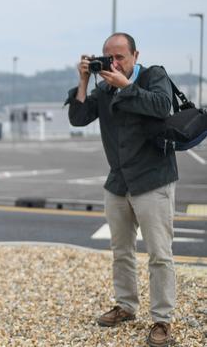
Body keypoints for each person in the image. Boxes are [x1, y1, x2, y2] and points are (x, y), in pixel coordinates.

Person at [66, 33, 177, 347]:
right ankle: (126, 306)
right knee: (121, 252)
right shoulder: (103, 89)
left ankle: (162, 320)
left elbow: (162, 106)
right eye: (108, 58)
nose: (113, 64)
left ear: (135, 55)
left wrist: (126, 86)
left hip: (153, 179)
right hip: (118, 182)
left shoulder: (154, 76)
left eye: (120, 58)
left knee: (159, 254)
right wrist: (85, 80)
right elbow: (78, 117)